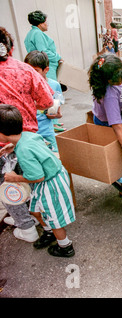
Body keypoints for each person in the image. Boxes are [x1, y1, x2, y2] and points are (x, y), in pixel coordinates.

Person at [0, 27, 55, 243]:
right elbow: (47, 102)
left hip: (3, 144)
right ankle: (39, 219)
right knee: (31, 180)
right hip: (28, 137)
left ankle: (25, 225)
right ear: (11, 48)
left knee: (8, 184)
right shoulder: (25, 70)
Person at [0, 105, 76, 257]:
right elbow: (34, 148)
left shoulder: (23, 151)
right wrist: (13, 147)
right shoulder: (26, 136)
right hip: (48, 180)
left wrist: (13, 177)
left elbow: (37, 176)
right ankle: (48, 232)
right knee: (34, 210)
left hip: (49, 183)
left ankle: (65, 246)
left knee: (53, 218)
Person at [24, 50, 64, 154]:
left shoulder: (54, 85)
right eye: (28, 70)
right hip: (29, 134)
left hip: (47, 132)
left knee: (54, 159)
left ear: (46, 69)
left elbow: (57, 113)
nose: (31, 74)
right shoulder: (23, 85)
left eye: (35, 71)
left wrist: (56, 114)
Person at [88, 54, 122, 145]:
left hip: (105, 116)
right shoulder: (110, 96)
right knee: (113, 143)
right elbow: (117, 126)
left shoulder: (105, 83)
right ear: (110, 80)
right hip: (106, 123)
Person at [24, 10, 62, 82]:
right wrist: (58, 57)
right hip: (47, 67)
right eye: (45, 22)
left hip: (38, 66)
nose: (47, 24)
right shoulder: (38, 34)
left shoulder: (30, 34)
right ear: (40, 24)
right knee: (51, 88)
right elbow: (44, 52)